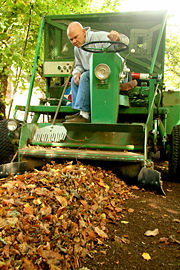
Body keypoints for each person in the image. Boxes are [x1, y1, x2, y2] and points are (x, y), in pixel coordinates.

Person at [66, 22, 137, 123]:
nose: (74, 41)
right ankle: (81, 111)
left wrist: (117, 38)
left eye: (76, 37)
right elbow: (79, 65)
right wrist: (77, 73)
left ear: (83, 32)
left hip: (113, 73)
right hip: (95, 76)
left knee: (86, 76)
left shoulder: (99, 37)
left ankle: (84, 116)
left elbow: (123, 43)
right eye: (71, 39)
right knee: (74, 79)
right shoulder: (77, 49)